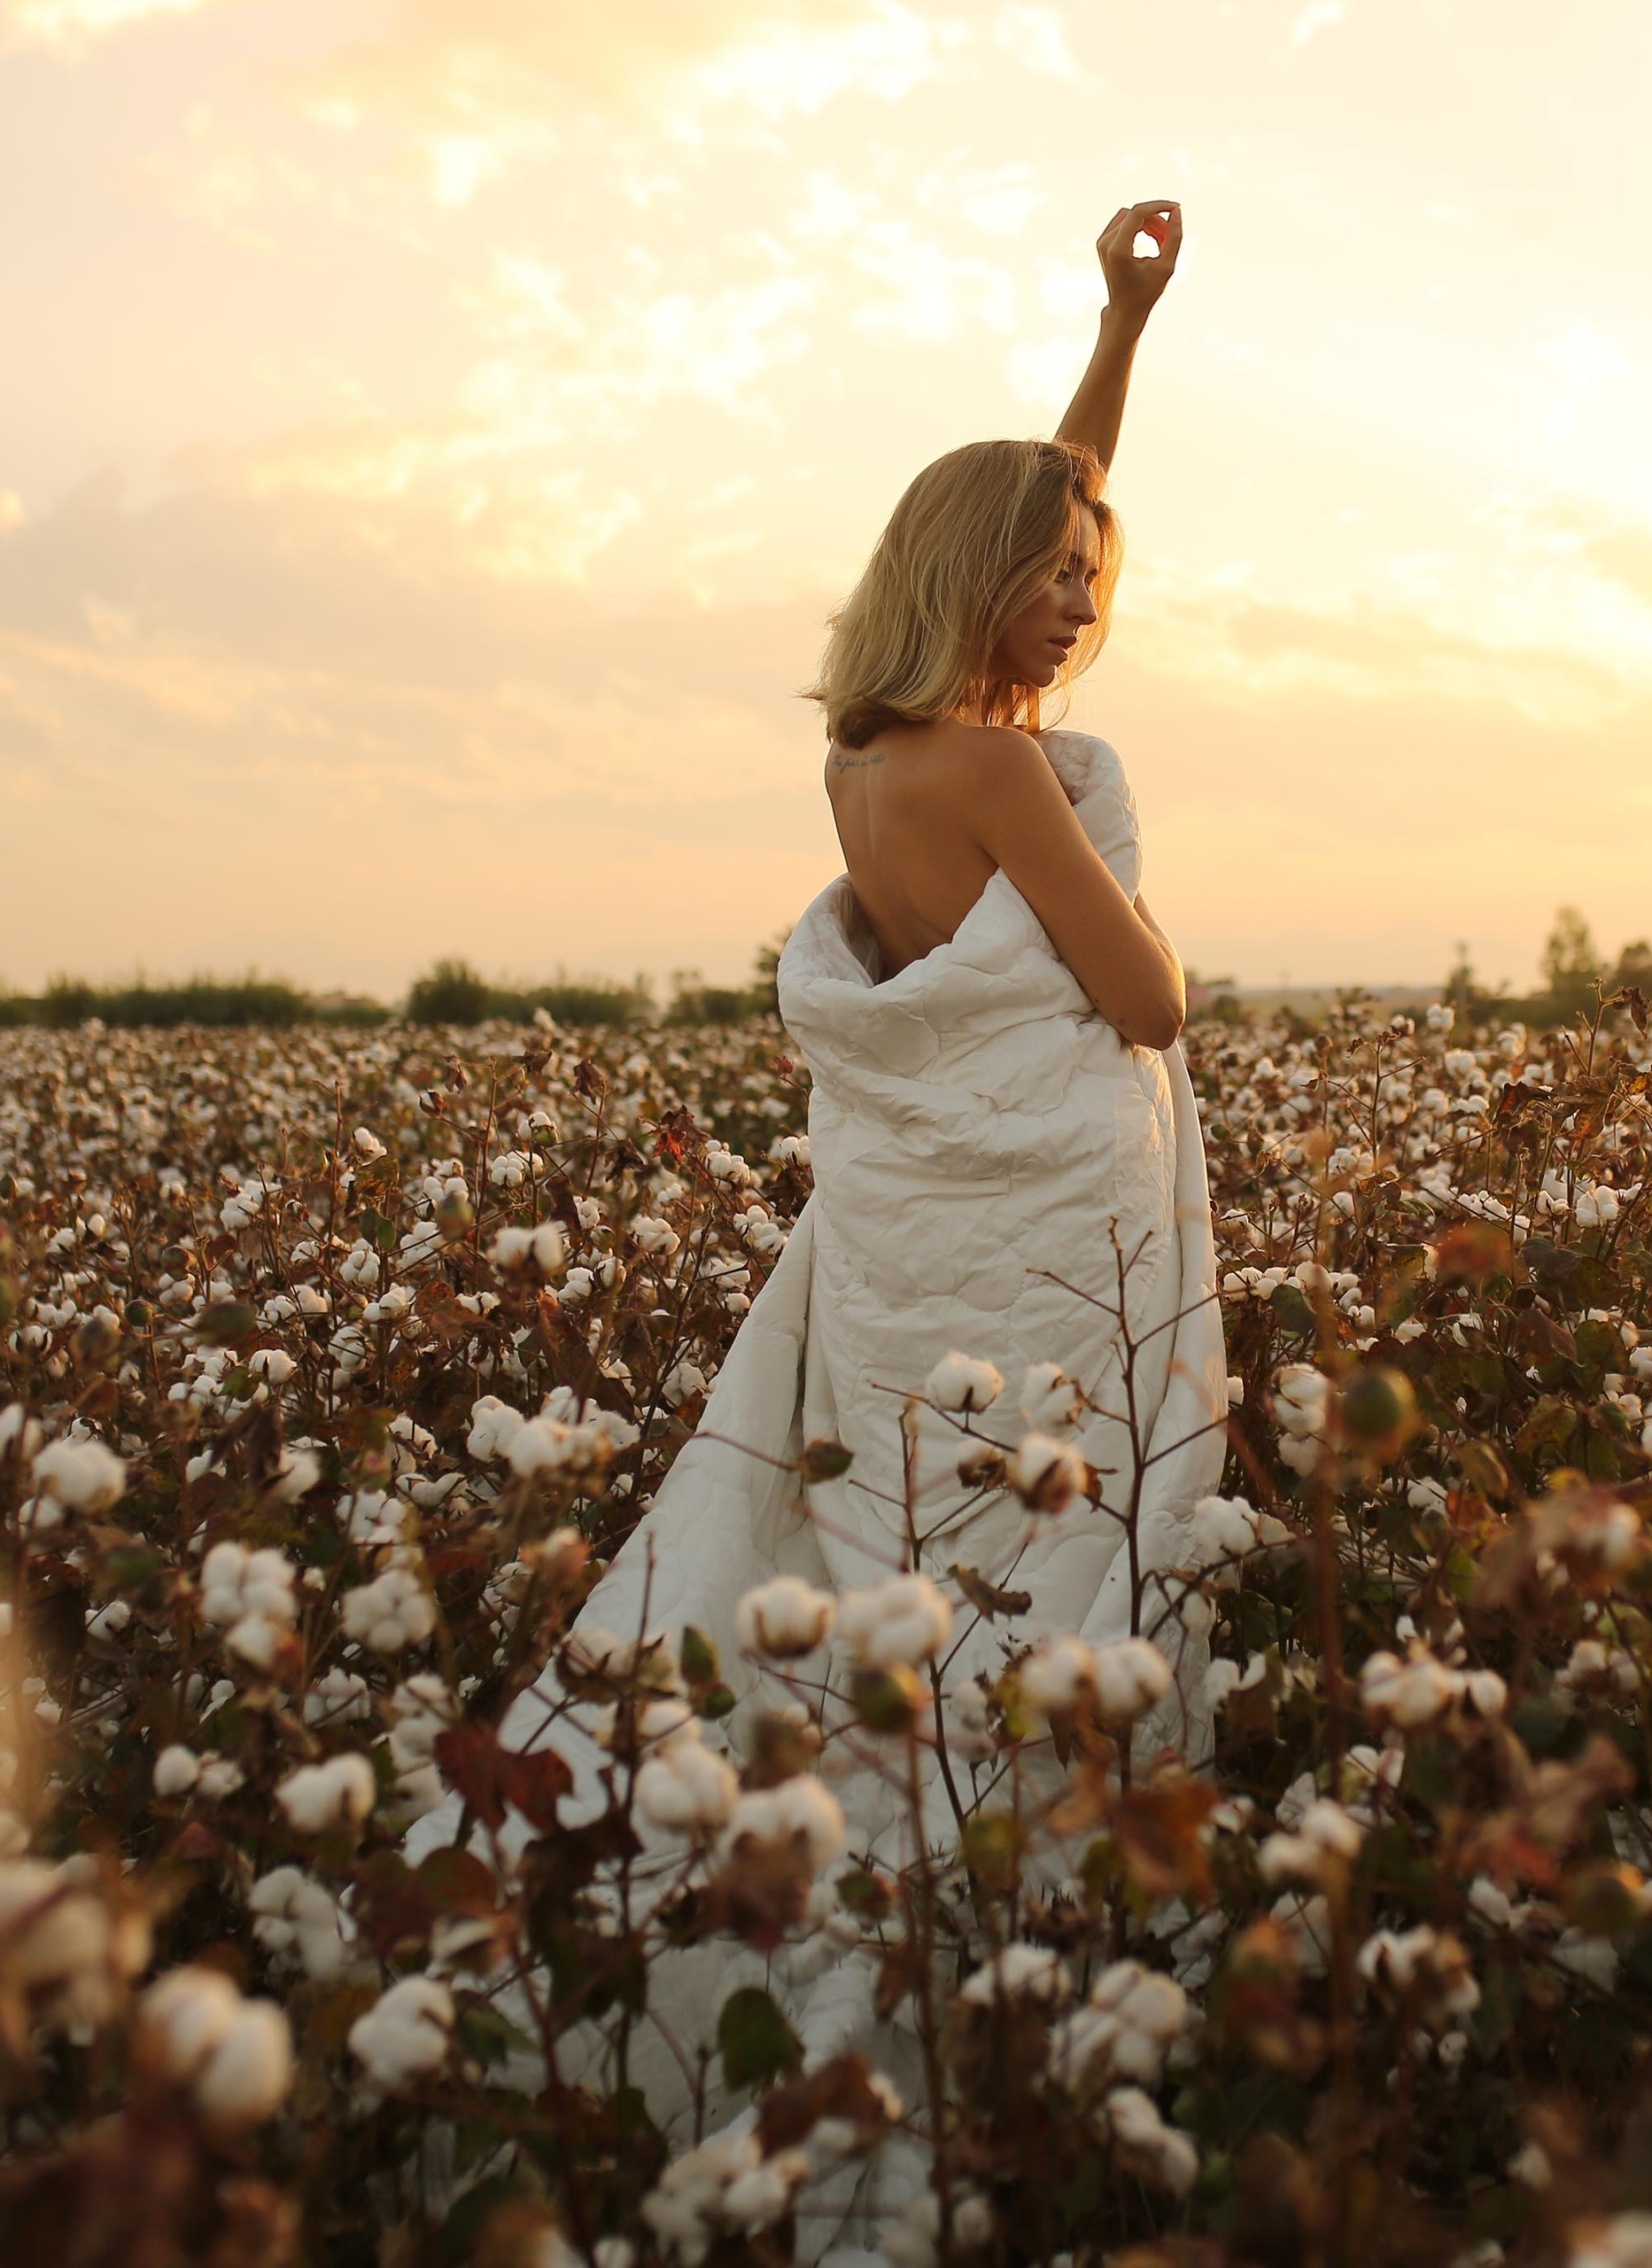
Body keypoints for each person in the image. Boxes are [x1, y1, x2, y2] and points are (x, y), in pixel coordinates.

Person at [410, 200, 1229, 2264]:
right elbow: (1144, 1003)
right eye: (1047, 575)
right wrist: (1159, 938)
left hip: (902, 1249)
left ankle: (837, 1901)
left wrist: (1116, 322)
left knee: (897, 1578)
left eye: (1092, 577)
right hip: (1043, 1237)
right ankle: (974, 1992)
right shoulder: (1000, 770)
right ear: (972, 581)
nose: (1076, 598)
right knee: (1046, 1577)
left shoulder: (869, 750)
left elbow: (1056, 484)